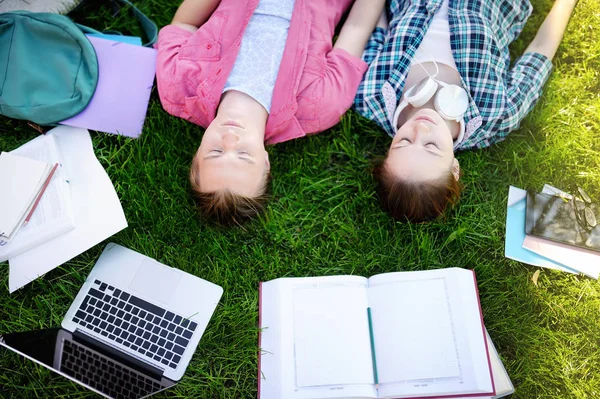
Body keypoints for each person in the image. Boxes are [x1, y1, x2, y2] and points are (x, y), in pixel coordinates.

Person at [156, 0, 384, 225]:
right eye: (244, 154)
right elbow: (357, 27)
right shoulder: (319, 106)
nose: (230, 138)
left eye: (215, 152)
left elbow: (183, 23)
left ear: (196, 155)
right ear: (266, 163)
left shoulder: (178, 86)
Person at [353, 0, 579, 222]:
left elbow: (377, 31)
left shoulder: (372, 96)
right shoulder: (496, 114)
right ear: (454, 168)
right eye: (431, 146)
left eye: (403, 142)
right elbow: (539, 53)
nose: (420, 129)